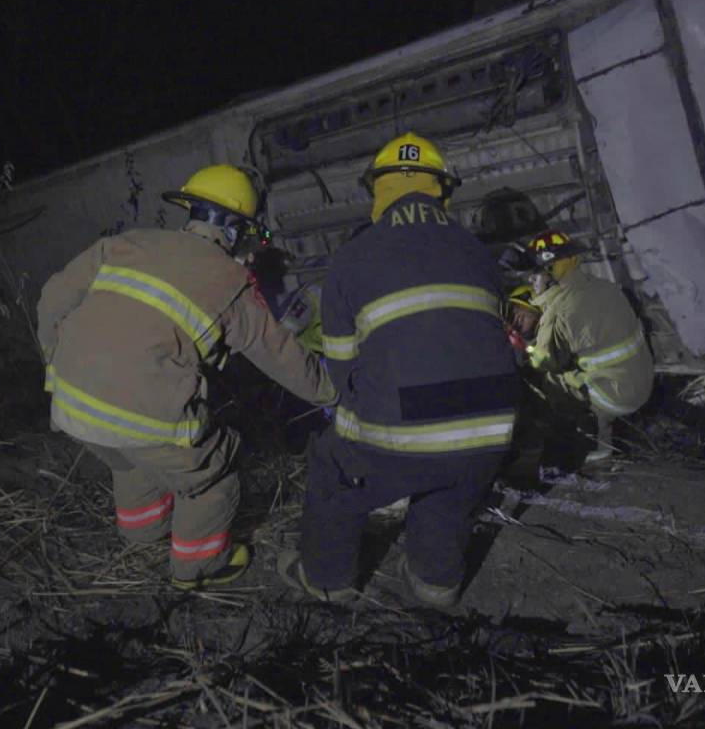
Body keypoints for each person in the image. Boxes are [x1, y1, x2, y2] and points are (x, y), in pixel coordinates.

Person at [36, 164, 336, 591]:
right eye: (250, 236)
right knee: (213, 472)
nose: (252, 250)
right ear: (232, 231)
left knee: (128, 457)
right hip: (145, 413)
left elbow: (51, 300)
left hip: (69, 404)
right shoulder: (230, 282)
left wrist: (57, 362)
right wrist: (332, 390)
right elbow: (283, 358)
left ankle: (141, 534)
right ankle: (198, 568)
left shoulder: (125, 244)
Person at [278, 132, 519, 608]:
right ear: (442, 192)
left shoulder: (352, 257)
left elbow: (343, 369)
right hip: (491, 425)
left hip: (406, 428)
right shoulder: (477, 251)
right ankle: (436, 581)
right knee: (450, 488)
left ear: (377, 193)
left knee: (333, 464)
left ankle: (328, 578)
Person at [501, 229, 653, 469]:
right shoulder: (605, 287)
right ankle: (612, 427)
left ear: (551, 271)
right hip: (644, 384)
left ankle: (591, 444)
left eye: (535, 274)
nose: (531, 280)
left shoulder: (559, 311)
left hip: (616, 397)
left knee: (548, 382)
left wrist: (525, 349)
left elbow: (545, 362)